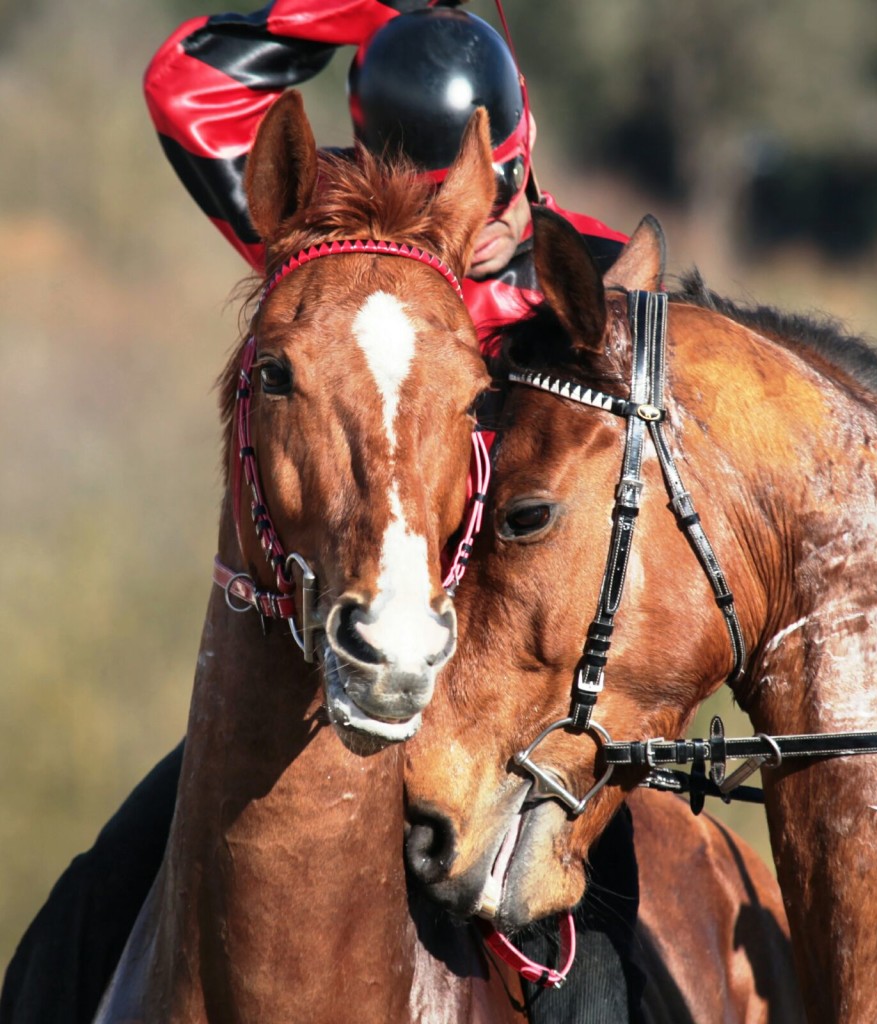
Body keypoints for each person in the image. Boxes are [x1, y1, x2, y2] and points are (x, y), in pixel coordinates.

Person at [1, 4, 642, 1023]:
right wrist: (368, 11)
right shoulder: (328, 243)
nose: (469, 231)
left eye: (487, 195)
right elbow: (190, 88)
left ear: (513, 159)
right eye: (435, 205)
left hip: (503, 698)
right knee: (75, 923)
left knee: (603, 968)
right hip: (313, 658)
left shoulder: (584, 275)